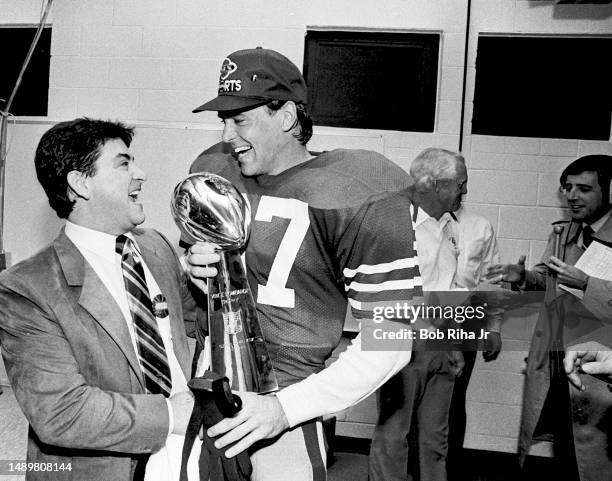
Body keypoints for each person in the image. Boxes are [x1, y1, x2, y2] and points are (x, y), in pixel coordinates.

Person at [185, 47, 422, 481]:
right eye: (223, 119)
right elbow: (195, 286)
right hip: (206, 388)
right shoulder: (217, 172)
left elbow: (392, 338)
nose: (227, 135)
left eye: (240, 119)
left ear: (288, 116)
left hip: (287, 397)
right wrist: (194, 266)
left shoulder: (357, 188)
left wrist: (284, 410)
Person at [0, 118, 200, 481]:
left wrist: (210, 282)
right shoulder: (27, 288)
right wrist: (172, 415)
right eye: (123, 163)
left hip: (189, 457)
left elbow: (194, 329)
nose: (140, 173)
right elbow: (61, 412)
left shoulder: (156, 247)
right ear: (80, 184)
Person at [369, 148, 502, 481]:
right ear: (433, 184)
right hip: (398, 339)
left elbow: (466, 286)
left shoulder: (457, 227)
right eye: (460, 183)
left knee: (435, 438)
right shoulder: (391, 224)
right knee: (393, 434)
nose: (465, 191)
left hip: (443, 341)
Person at [486, 154, 612, 481]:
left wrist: (586, 283)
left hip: (600, 364)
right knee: (566, 447)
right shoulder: (562, 232)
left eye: (584, 188)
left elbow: (581, 287)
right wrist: (525, 277)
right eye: (567, 187)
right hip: (557, 358)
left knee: (596, 455)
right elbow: (549, 280)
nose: (572, 196)